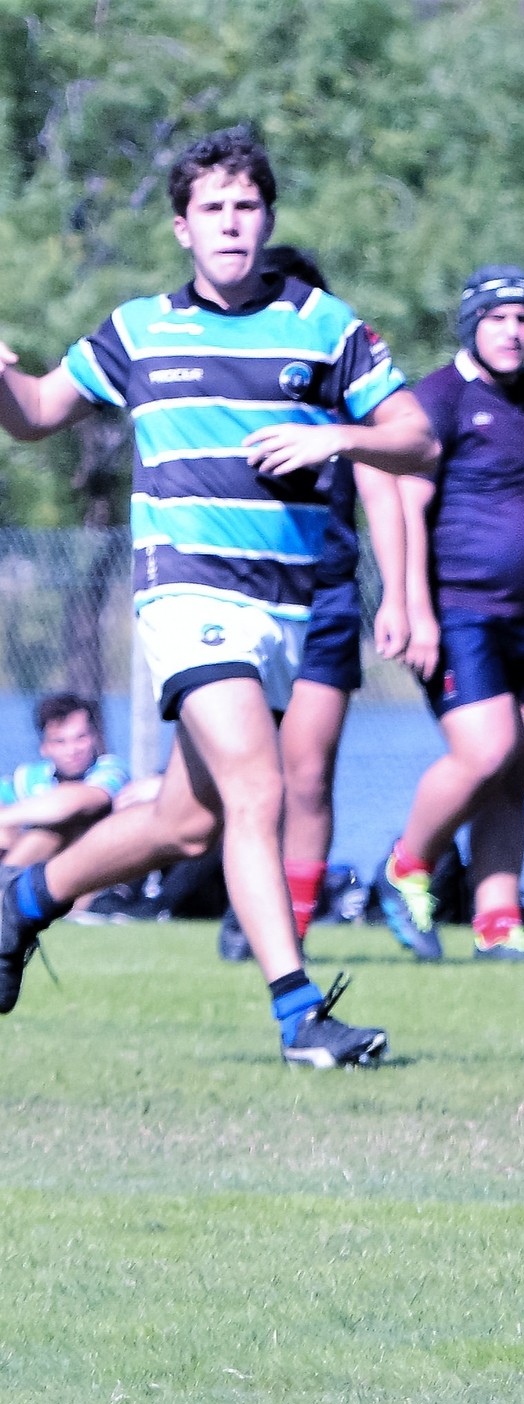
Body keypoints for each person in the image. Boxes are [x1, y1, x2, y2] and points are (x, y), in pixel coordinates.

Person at [0, 124, 438, 1065]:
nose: (233, 224)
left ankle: (20, 904)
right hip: (185, 594)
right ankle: (299, 1015)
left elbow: (416, 436)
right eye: (214, 209)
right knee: (257, 786)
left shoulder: (323, 324)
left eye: (248, 207)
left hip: (282, 607)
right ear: (181, 229)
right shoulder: (139, 330)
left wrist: (337, 440)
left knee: (183, 822)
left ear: (268, 218)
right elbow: (36, 415)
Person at [376, 266, 524, 962]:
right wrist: (413, 609)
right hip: (462, 612)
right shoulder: (440, 396)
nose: (514, 331)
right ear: (472, 323)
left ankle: (499, 921)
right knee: (484, 752)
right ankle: (407, 865)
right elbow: (404, 501)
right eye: (498, 318)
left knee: (515, 767)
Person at [215, 245, 410, 962]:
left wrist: (398, 595)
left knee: (306, 771)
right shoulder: (224, 383)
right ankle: (249, 902)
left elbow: (384, 484)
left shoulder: (342, 394)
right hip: (232, 592)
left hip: (324, 593)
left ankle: (286, 932)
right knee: (232, 781)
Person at [0, 694, 127, 870]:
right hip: (36, 870)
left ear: (95, 738)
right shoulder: (29, 776)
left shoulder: (111, 769)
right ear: (44, 747)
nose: (72, 750)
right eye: (60, 741)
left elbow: (67, 804)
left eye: (81, 737)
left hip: (93, 871)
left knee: (51, 831)